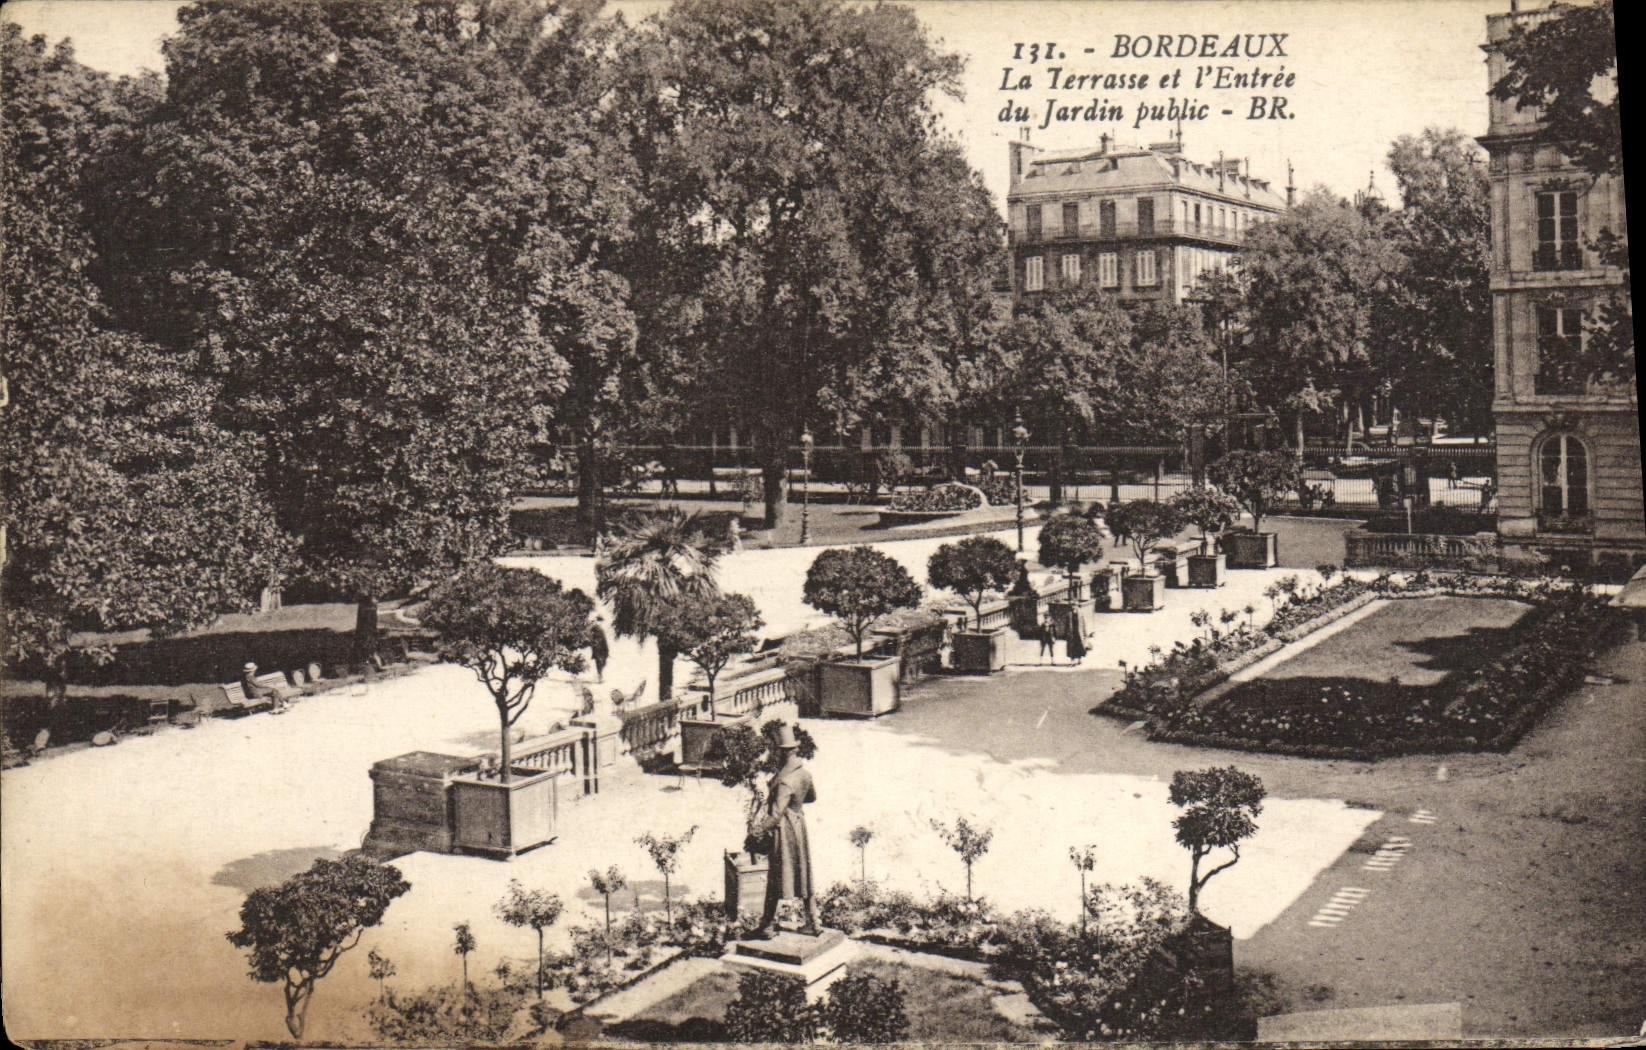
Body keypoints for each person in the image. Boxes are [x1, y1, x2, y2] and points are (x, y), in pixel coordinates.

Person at [748, 723, 819, 938]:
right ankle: (813, 921)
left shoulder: (786, 780)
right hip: (799, 826)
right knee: (804, 874)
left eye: (778, 751)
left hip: (784, 832)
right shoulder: (804, 774)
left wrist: (758, 830)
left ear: (783, 752)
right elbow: (811, 797)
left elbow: (777, 813)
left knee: (776, 878)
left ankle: (767, 925)